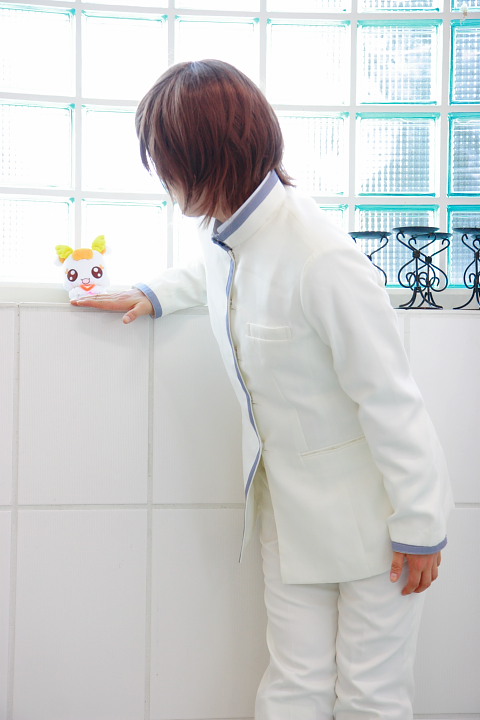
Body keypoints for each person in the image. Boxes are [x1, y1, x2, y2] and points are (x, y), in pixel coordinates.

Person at [72, 59, 453, 719]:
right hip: (287, 510)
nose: (164, 179)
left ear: (210, 158)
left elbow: (392, 399)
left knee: (371, 698)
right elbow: (216, 275)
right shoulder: (225, 231)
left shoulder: (322, 258)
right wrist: (154, 293)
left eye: (169, 163)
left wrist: (422, 526)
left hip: (376, 523)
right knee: (292, 686)